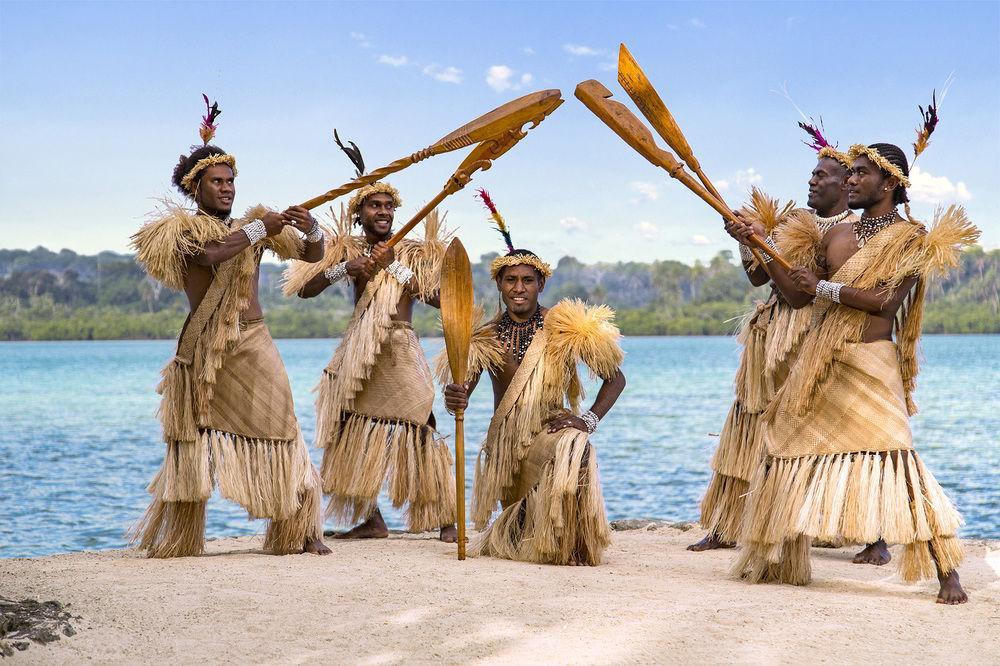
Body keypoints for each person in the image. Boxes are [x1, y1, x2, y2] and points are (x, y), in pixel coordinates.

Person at [733, 140, 979, 604]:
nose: (850, 180)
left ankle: (947, 571)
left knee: (898, 460)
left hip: (871, 363)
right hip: (820, 361)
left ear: (889, 183)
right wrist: (758, 246)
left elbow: (886, 301)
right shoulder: (835, 235)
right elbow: (797, 296)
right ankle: (777, 559)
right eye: (851, 173)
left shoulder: (912, 239)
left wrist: (825, 286)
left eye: (862, 174)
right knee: (782, 443)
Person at [130, 96, 329, 557]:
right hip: (204, 346)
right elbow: (211, 255)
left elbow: (312, 258)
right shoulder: (178, 229)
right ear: (195, 187)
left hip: (253, 338)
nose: (227, 188)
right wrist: (261, 228)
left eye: (231, 181)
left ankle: (297, 529)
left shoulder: (251, 223)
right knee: (193, 434)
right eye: (217, 182)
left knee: (284, 420)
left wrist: (311, 227)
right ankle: (182, 537)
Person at [690, 132, 858, 552]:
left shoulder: (852, 234)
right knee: (746, 423)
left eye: (823, 175)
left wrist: (762, 242)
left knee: (829, 433)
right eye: (812, 174)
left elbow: (799, 294)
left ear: (845, 184)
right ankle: (727, 524)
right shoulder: (794, 223)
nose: (813, 180)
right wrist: (746, 244)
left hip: (809, 337)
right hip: (770, 335)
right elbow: (759, 278)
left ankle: (864, 533)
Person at [283, 138, 456, 542]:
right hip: (360, 347)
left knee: (422, 421)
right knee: (348, 428)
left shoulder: (412, 249)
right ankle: (372, 518)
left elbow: (439, 300)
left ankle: (446, 517)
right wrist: (347, 268)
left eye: (388, 206)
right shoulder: (347, 249)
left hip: (399, 344)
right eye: (373, 206)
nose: (382, 212)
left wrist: (395, 268)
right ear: (359, 213)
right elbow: (307, 289)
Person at [441, 191, 626, 565]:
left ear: (541, 285)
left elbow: (615, 379)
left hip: (550, 430)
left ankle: (573, 542)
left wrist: (586, 419)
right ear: (500, 285)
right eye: (511, 280)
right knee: (521, 529)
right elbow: (465, 388)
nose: (519, 288)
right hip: (506, 444)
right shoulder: (485, 335)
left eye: (527, 280)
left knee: (576, 446)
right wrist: (454, 397)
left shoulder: (564, 328)